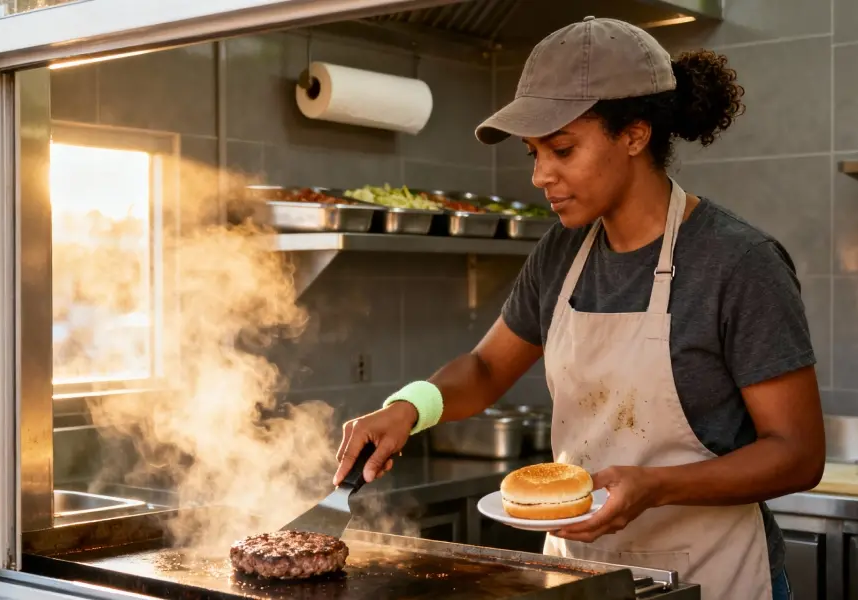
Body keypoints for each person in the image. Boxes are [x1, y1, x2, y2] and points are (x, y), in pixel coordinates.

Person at [334, 15, 824, 600]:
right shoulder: (562, 250)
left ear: (635, 135)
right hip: (579, 578)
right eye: (534, 153)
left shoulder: (738, 262)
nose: (542, 175)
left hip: (714, 574)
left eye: (562, 149)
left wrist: (654, 486)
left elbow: (797, 455)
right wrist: (410, 408)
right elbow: (488, 369)